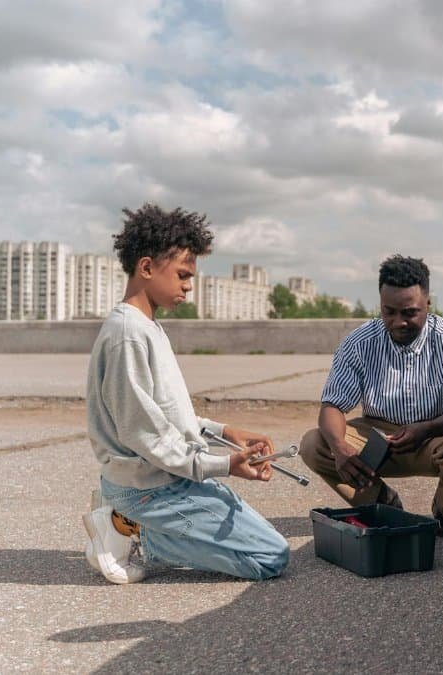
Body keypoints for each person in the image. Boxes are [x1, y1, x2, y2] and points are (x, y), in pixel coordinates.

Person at [82, 203, 289, 584]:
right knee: (270, 556)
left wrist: (225, 433)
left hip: (167, 478)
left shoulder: (148, 327)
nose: (188, 286)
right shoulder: (128, 335)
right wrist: (225, 466)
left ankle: (128, 521)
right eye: (182, 275)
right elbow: (147, 436)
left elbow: (164, 415)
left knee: (262, 542)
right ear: (146, 268)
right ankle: (132, 533)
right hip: (149, 490)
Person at [298, 255, 443, 537]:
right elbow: (332, 406)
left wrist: (425, 429)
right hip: (377, 440)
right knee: (314, 443)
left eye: (409, 313)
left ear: (428, 305)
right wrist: (339, 448)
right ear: (380, 305)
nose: (399, 322)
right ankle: (383, 504)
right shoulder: (359, 342)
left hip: (433, 436)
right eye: (389, 312)